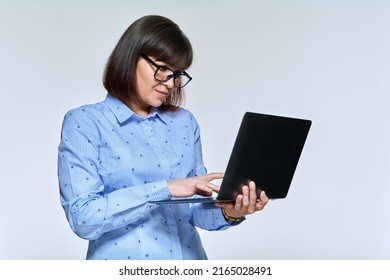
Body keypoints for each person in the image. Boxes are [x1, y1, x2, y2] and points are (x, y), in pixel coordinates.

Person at [57, 15, 269, 260]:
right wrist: (165, 189)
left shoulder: (184, 123)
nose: (170, 82)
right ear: (130, 57)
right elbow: (83, 218)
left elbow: (194, 211)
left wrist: (231, 211)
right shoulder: (85, 122)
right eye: (162, 68)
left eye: (177, 73)